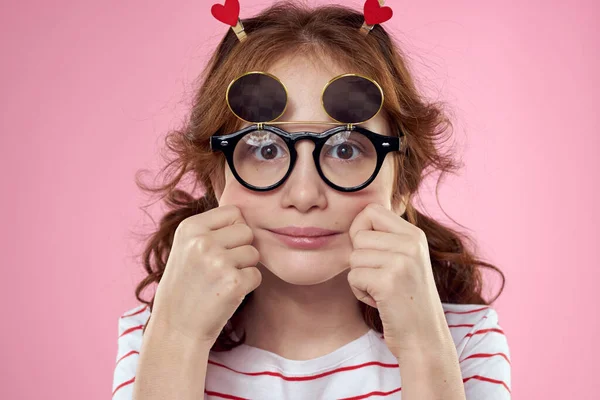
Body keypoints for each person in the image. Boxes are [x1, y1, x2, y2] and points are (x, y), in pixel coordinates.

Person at [112, 1, 511, 399]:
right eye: (265, 150)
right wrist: (178, 338)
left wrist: (423, 346)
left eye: (346, 150)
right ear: (217, 175)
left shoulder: (461, 343)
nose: (304, 195)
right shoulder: (157, 337)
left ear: (403, 180)